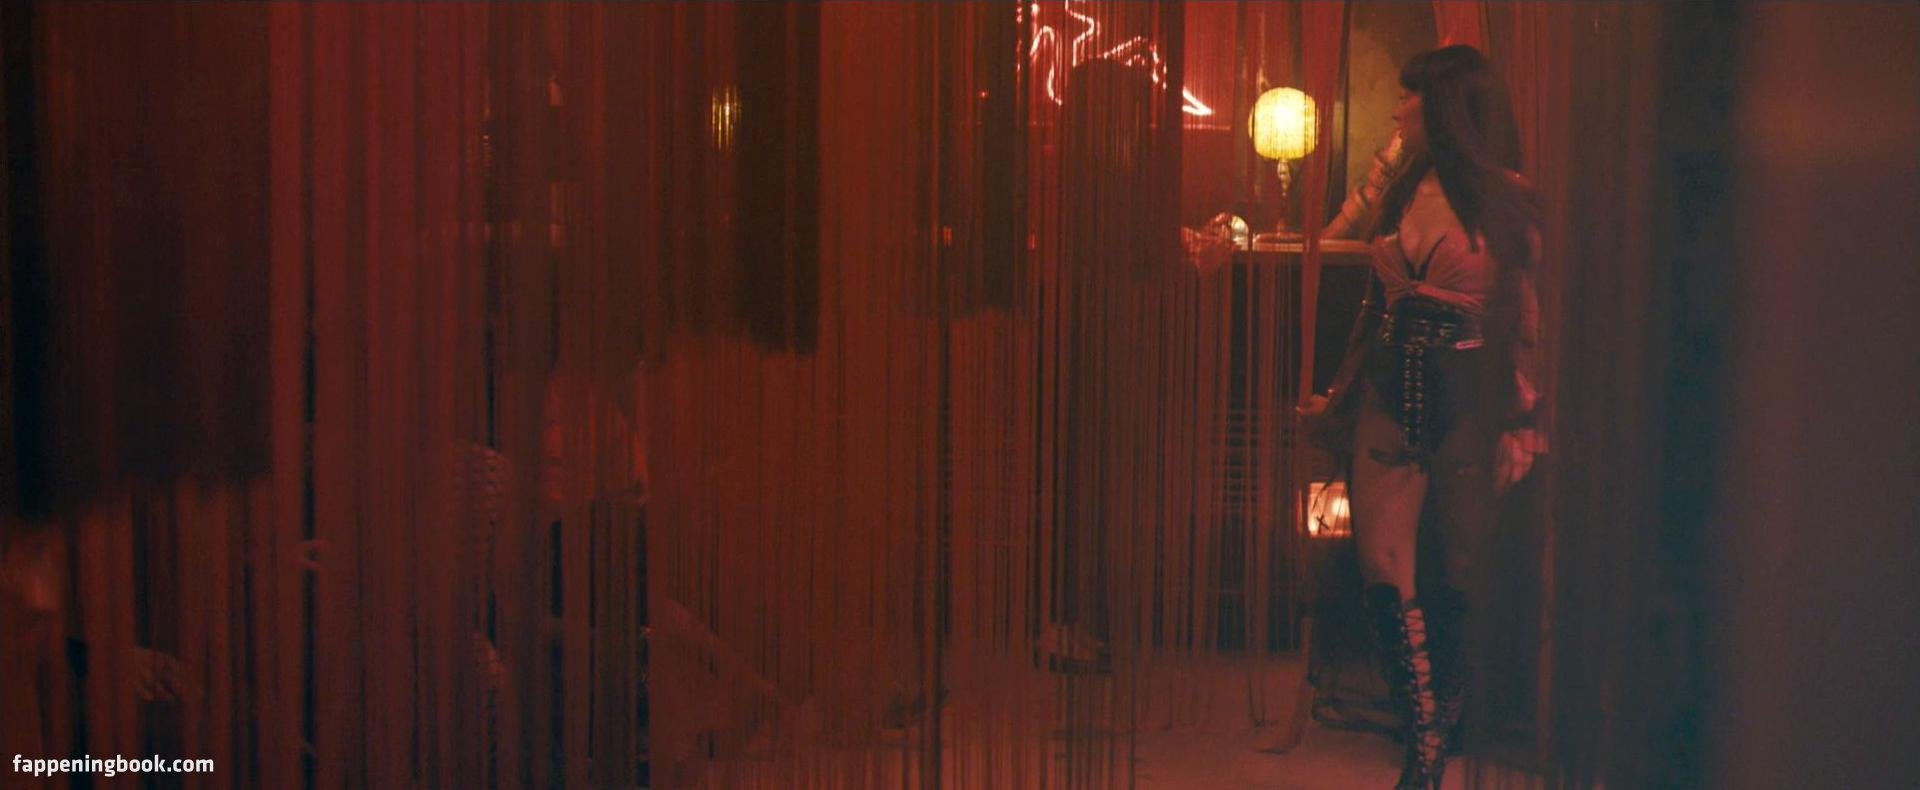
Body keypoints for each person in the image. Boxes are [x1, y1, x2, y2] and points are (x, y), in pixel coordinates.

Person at [1300, 44, 1546, 789]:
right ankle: (1425, 744)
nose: (1398, 109)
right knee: (1382, 564)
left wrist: (1526, 420)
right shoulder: (1401, 187)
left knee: (1466, 566)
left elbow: (1531, 320)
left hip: (1470, 394)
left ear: (1446, 109)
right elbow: (1371, 305)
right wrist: (1337, 393)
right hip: (1387, 387)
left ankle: (1446, 724)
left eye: (1411, 98)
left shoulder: (1510, 199)